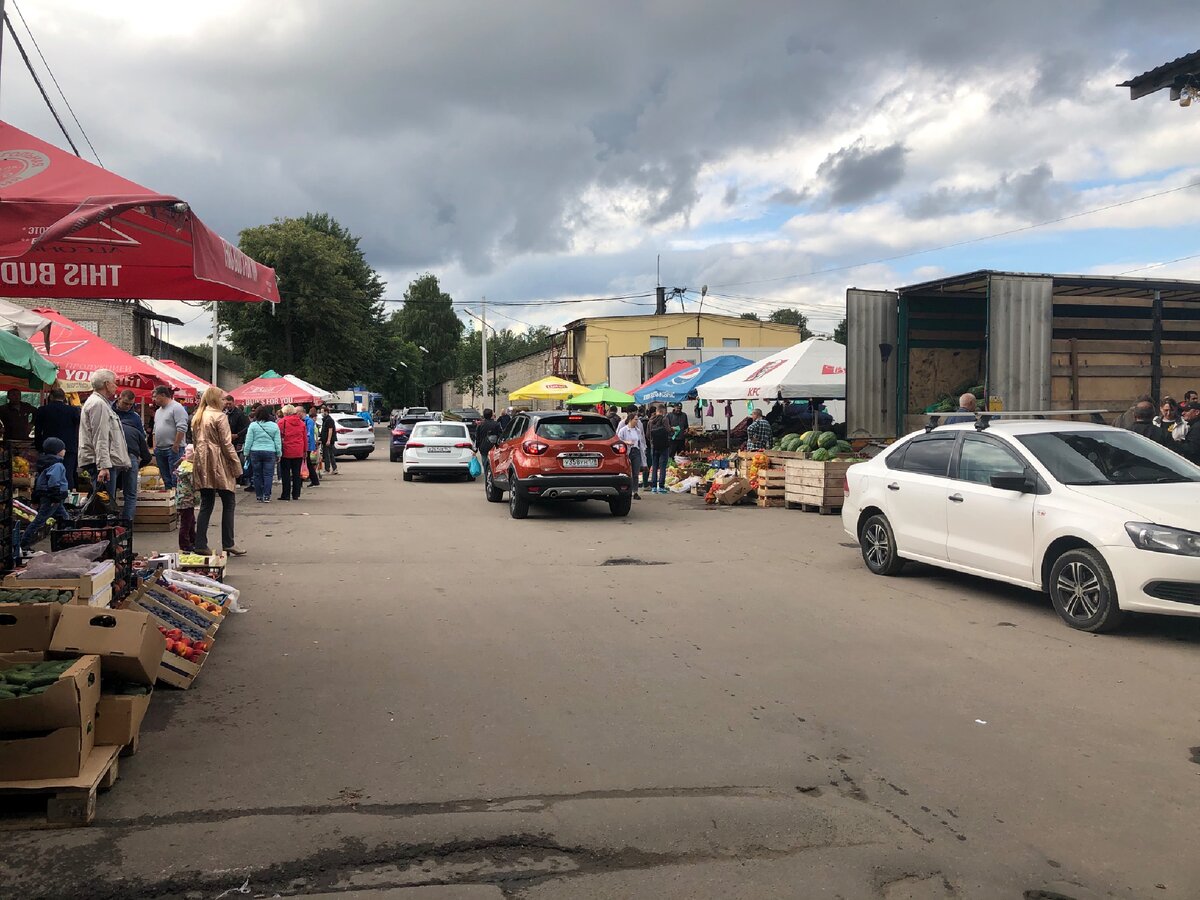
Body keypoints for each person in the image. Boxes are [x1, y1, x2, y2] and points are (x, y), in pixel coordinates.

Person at [191, 386, 245, 556]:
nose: (225, 402)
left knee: (206, 503)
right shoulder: (219, 417)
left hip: (202, 460)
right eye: (222, 399)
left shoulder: (198, 417)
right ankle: (228, 542)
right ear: (215, 399)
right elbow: (226, 444)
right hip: (218, 461)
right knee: (229, 501)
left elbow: (194, 442)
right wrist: (236, 465)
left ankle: (200, 543)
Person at [78, 369, 130, 511]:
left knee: (102, 503)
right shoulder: (98, 404)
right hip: (101, 463)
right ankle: (101, 530)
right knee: (104, 506)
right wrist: (103, 466)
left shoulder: (100, 403)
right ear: (107, 384)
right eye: (114, 383)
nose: (116, 386)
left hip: (101, 461)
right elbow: (100, 436)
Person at [20, 437, 69, 552]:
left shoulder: (45, 464)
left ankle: (65, 538)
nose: (65, 450)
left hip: (51, 497)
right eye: (63, 448)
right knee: (40, 520)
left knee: (65, 517)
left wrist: (35, 499)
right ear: (57, 451)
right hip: (52, 498)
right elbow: (53, 482)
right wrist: (55, 497)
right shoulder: (57, 465)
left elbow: (38, 483)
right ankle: (24, 542)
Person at [33, 387, 81, 489]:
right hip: (69, 446)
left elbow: (38, 430)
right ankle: (68, 497)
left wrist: (38, 445)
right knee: (68, 473)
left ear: (51, 397)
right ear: (64, 398)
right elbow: (79, 428)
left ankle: (49, 494)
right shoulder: (73, 411)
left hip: (49, 447)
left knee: (48, 472)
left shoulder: (42, 410)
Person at [114, 390, 151, 522]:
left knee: (130, 492)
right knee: (111, 492)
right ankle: (112, 520)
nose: (128, 406)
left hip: (130, 455)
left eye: (130, 404)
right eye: (125, 403)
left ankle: (126, 523)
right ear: (119, 399)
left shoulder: (135, 417)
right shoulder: (109, 411)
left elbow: (142, 437)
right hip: (114, 455)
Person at [151, 385, 188, 489]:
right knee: (165, 477)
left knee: (175, 477)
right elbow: (155, 429)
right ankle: (169, 498)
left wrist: (176, 445)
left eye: (155, 397)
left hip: (173, 448)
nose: (153, 400)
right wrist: (155, 446)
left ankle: (177, 500)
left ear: (163, 395)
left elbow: (182, 427)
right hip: (160, 449)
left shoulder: (176, 407)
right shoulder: (158, 411)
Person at [243, 405, 282, 502]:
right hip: (270, 451)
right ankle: (266, 495)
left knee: (257, 474)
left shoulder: (253, 425)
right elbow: (277, 441)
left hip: (255, 451)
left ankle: (259, 495)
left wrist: (246, 452)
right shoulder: (274, 426)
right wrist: (279, 453)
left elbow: (248, 441)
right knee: (268, 475)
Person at [277, 404, 307, 501]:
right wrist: (305, 451)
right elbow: (304, 438)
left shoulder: (281, 422)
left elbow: (278, 437)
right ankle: (296, 494)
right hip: (298, 450)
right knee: (296, 473)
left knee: (285, 473)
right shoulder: (301, 423)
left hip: (286, 450)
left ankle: (286, 494)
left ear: (285, 412)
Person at [616, 410, 645, 500]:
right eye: (635, 420)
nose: (637, 421)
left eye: (637, 420)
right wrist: (626, 442)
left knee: (636, 473)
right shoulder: (623, 430)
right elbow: (618, 440)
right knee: (628, 473)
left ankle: (635, 491)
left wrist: (643, 454)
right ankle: (627, 491)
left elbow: (641, 442)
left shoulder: (638, 430)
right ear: (630, 420)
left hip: (636, 451)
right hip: (627, 452)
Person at [174, 446, 198, 552]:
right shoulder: (190, 470)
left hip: (182, 498)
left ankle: (193, 539)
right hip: (187, 499)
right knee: (186, 522)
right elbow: (194, 483)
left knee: (190, 520)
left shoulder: (183, 466)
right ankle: (184, 544)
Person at [224, 395, 250, 487]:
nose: (227, 405)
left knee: (236, 460)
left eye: (229, 404)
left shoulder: (240, 414)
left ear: (233, 403)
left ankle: (238, 480)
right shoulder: (225, 413)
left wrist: (237, 435)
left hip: (237, 440)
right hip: (227, 440)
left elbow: (247, 427)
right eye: (226, 403)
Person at [646, 404, 672, 494]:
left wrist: (652, 442)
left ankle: (653, 487)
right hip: (664, 446)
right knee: (662, 467)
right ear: (662, 411)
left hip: (654, 446)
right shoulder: (665, 419)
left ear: (656, 411)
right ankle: (661, 486)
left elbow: (648, 435)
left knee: (654, 466)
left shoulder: (650, 421)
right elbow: (668, 430)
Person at [475, 408, 503, 474]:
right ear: (491, 415)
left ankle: (487, 477)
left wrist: (475, 449)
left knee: (485, 464)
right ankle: (493, 476)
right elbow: (501, 435)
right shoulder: (496, 424)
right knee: (494, 464)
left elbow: (477, 438)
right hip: (493, 447)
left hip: (483, 448)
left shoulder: (480, 425)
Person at [302, 406, 321, 487]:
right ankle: (314, 480)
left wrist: (307, 444)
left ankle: (311, 480)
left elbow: (309, 434)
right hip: (308, 445)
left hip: (308, 445)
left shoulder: (308, 421)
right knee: (308, 463)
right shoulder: (307, 421)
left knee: (306, 463)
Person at [320, 406, 339, 475]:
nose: (321, 413)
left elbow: (330, 430)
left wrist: (328, 440)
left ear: (326, 412)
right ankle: (333, 469)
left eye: (322, 412)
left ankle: (329, 469)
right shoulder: (325, 419)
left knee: (328, 455)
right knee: (329, 454)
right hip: (325, 440)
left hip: (328, 440)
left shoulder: (329, 420)